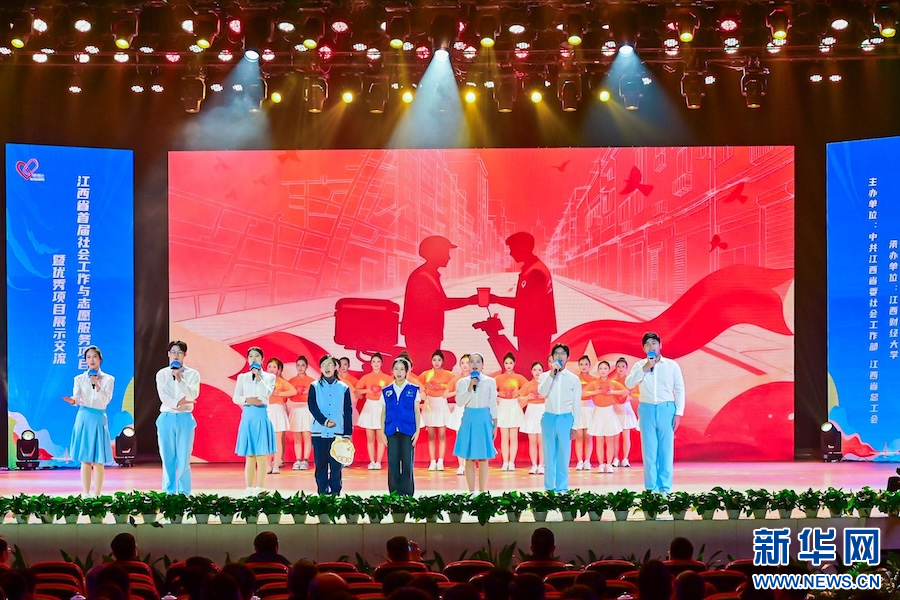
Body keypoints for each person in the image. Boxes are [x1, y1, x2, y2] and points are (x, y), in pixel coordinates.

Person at [400, 235, 477, 369]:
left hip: (428, 333)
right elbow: (441, 304)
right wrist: (469, 300)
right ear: (435, 253)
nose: (449, 257)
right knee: (424, 369)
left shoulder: (429, 275)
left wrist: (469, 300)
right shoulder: (423, 277)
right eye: (446, 252)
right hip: (422, 335)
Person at [625, 332, 685, 493]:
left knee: (665, 451)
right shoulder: (639, 366)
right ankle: (651, 489)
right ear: (643, 348)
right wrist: (645, 368)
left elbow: (679, 389)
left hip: (667, 409)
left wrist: (679, 413)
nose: (651, 347)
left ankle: (664, 488)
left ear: (660, 345)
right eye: (647, 344)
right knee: (649, 451)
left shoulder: (671, 365)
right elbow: (629, 384)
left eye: (654, 343)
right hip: (647, 410)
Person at [489, 231, 557, 371]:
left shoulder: (535, 272)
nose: (510, 253)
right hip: (534, 331)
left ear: (523, 247)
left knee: (531, 369)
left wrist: (496, 299)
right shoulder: (533, 269)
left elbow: (525, 304)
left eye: (512, 249)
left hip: (534, 332)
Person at [63, 345, 114, 496]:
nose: (91, 360)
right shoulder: (79, 379)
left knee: (98, 460)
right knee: (85, 459)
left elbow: (105, 400)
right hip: (84, 417)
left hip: (99, 418)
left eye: (94, 357)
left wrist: (96, 382)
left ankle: (97, 494)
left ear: (100, 359)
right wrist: (73, 401)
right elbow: (77, 398)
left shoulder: (109, 379)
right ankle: (85, 493)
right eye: (88, 357)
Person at [155, 340, 201, 495]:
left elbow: (193, 394)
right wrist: (177, 402)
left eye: (179, 352)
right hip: (166, 418)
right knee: (167, 458)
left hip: (185, 418)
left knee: (184, 458)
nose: (176, 355)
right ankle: (168, 492)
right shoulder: (162, 374)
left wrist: (180, 379)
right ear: (168, 354)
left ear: (185, 354)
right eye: (173, 352)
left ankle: (184, 493)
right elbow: (163, 396)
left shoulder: (193, 374)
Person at [233, 346, 277, 493]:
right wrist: (248, 399)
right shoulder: (243, 377)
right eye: (251, 356)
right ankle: (249, 488)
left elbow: (267, 393)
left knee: (261, 455)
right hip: (248, 417)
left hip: (261, 416)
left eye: (257, 356)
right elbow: (236, 397)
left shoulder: (269, 377)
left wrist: (258, 377)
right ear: (247, 359)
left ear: (262, 359)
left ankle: (260, 488)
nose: (254, 359)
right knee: (250, 455)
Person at [538, 344, 581, 493]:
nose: (559, 356)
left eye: (563, 353)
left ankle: (562, 488)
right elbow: (542, 392)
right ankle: (549, 488)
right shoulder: (545, 376)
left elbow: (576, 404)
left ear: (567, 357)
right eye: (556, 353)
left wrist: (575, 426)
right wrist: (552, 373)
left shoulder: (573, 379)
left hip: (565, 419)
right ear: (552, 357)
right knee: (549, 455)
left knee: (563, 455)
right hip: (549, 418)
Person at [452, 352, 498, 492]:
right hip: (469, 419)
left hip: (484, 419)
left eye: (478, 361)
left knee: (484, 457)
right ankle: (471, 492)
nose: (475, 364)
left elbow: (493, 404)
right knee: (469, 458)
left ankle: (482, 491)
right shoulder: (462, 382)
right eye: (472, 361)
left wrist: (495, 424)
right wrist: (470, 387)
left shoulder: (490, 381)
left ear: (483, 365)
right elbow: (460, 402)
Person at [308, 355, 353, 495]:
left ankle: (335, 492)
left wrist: (347, 434)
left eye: (330, 365)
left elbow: (348, 410)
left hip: (338, 433)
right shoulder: (314, 386)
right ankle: (322, 491)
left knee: (336, 465)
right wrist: (324, 421)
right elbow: (312, 406)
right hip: (319, 431)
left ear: (336, 367)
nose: (327, 368)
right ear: (320, 368)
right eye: (324, 365)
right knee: (320, 464)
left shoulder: (343, 387)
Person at [379, 357, 421, 496]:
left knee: (407, 463)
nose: (399, 372)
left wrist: (417, 431)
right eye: (396, 369)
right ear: (392, 371)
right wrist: (383, 432)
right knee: (393, 463)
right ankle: (394, 494)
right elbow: (383, 413)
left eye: (402, 369)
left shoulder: (413, 389)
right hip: (391, 431)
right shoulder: (386, 391)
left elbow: (416, 411)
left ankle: (407, 494)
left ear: (407, 371)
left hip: (408, 431)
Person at [586, 361, 627, 474]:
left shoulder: (613, 383)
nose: (603, 371)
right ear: (598, 370)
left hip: (610, 412)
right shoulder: (594, 383)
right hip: (598, 412)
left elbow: (625, 391)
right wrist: (594, 392)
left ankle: (609, 464)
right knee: (599, 440)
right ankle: (601, 464)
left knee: (610, 440)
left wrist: (612, 392)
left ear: (609, 370)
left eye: (605, 368)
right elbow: (582, 393)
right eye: (601, 368)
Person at [419, 350, 455, 471]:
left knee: (442, 434)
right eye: (434, 360)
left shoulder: (449, 375)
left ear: (443, 361)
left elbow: (456, 386)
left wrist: (442, 386)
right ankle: (432, 461)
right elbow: (417, 385)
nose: (436, 362)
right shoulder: (426, 374)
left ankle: (440, 461)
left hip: (441, 403)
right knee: (431, 435)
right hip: (430, 404)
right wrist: (426, 386)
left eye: (439, 360)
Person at [356, 352, 392, 470]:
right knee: (370, 437)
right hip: (369, 406)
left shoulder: (387, 378)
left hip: (381, 406)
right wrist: (367, 391)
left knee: (381, 437)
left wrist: (384, 392)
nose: (376, 364)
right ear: (371, 364)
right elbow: (357, 390)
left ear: (382, 363)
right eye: (374, 362)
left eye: (378, 362)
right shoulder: (366, 377)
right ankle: (372, 461)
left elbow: (393, 393)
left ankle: (378, 462)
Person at [495, 352, 526, 471]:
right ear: (503, 364)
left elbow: (529, 387)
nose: (508, 365)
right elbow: (489, 390)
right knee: (504, 437)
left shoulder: (519, 377)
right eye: (506, 363)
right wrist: (498, 393)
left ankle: (512, 462)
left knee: (513, 437)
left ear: (514, 364)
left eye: (511, 363)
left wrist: (519, 393)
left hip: (514, 406)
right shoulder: (498, 378)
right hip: (503, 406)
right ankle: (505, 462)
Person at [266, 358, 297, 474]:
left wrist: (278, 393)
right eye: (270, 366)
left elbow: (293, 391)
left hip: (278, 410)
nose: (272, 369)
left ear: (278, 370)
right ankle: (268, 466)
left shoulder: (281, 381)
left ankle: (276, 465)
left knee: (277, 440)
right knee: (267, 440)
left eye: (274, 367)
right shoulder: (262, 380)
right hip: (266, 410)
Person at [288, 356, 315, 471]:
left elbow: (317, 397)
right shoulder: (291, 381)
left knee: (307, 436)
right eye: (298, 365)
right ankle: (298, 460)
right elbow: (288, 395)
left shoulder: (312, 381)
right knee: (297, 437)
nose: (300, 367)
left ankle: (305, 460)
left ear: (307, 366)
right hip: (295, 409)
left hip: (307, 409)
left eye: (303, 365)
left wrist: (309, 392)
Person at [519, 360, 546, 475]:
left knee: (542, 441)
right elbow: (520, 403)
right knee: (532, 441)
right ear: (531, 371)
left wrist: (545, 396)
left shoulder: (546, 384)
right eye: (535, 370)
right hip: (531, 411)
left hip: (543, 410)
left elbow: (554, 400)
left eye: (539, 370)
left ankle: (542, 465)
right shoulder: (527, 385)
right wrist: (527, 398)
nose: (537, 372)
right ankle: (534, 465)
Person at [611, 357, 638, 467]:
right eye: (618, 366)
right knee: (616, 436)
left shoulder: (630, 381)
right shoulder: (612, 381)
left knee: (626, 435)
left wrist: (627, 398)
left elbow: (635, 393)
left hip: (626, 409)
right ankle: (616, 458)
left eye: (623, 366)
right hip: (615, 409)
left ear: (627, 368)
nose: (621, 369)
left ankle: (625, 458)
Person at [446, 353, 470, 475]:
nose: (465, 365)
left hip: (472, 410)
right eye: (462, 363)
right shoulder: (456, 379)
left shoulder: (477, 379)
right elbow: (445, 394)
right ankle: (461, 465)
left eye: (467, 363)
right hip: (460, 410)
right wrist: (456, 392)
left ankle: (469, 464)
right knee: (460, 437)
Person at [574, 355, 596, 471]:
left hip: (590, 408)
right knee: (578, 436)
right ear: (578, 366)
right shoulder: (574, 379)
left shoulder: (594, 380)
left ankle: (587, 461)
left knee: (588, 436)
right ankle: (579, 461)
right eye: (581, 364)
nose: (584, 367)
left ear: (589, 366)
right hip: (577, 408)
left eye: (586, 364)